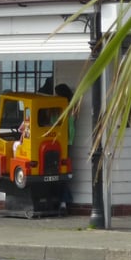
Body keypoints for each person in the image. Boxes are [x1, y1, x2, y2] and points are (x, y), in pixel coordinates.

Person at [54, 83, 76, 215]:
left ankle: (63, 201)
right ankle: (60, 201)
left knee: (62, 173)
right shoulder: (55, 109)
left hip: (64, 144)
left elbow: (71, 130)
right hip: (54, 143)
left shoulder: (67, 110)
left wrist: (67, 142)